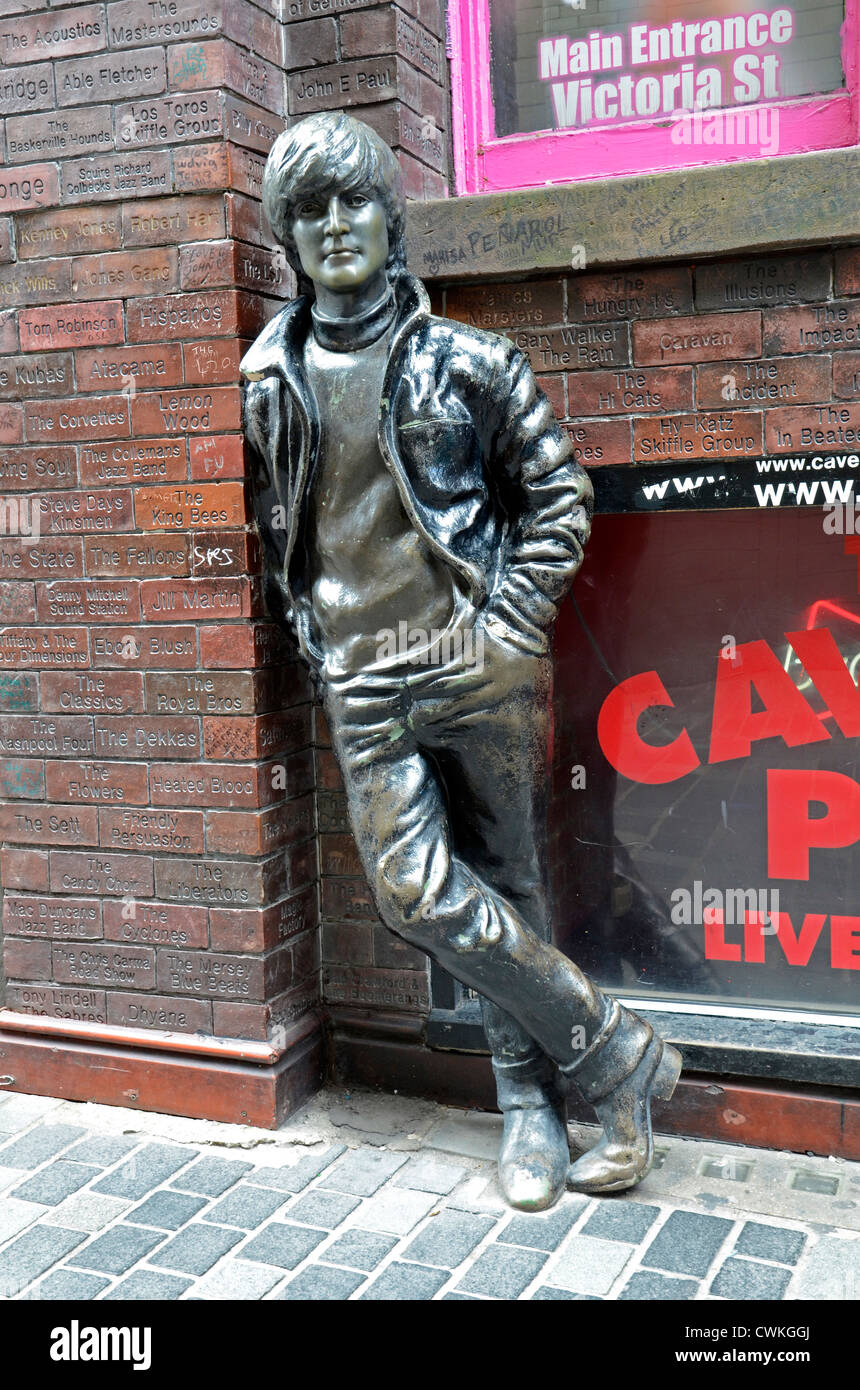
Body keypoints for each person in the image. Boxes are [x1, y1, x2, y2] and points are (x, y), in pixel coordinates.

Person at [241, 111, 681, 1210]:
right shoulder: (269, 381)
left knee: (511, 886)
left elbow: (557, 497)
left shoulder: (470, 361)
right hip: (361, 672)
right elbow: (283, 526)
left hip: (473, 657)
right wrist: (313, 628)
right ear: (287, 237)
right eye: (308, 210)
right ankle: (615, 1054)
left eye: (353, 203)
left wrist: (508, 624)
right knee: (412, 891)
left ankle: (530, 1111)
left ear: (392, 221)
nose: (333, 225)